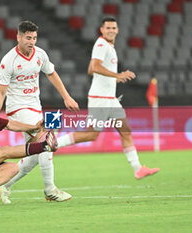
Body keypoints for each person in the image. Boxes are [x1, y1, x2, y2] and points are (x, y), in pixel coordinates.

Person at [57, 17, 159, 179]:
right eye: (108, 28)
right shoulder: (101, 45)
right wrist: (117, 75)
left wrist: (113, 77)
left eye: (114, 27)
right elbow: (95, 67)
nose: (111, 30)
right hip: (100, 98)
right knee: (91, 135)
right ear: (102, 30)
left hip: (110, 99)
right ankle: (53, 143)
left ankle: (138, 169)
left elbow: (91, 69)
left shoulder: (108, 46)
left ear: (117, 30)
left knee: (125, 131)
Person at [0, 20, 79, 204]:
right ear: (18, 37)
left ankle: (4, 185)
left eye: (34, 38)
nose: (31, 42)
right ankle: (50, 190)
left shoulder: (40, 54)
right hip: (18, 108)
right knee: (46, 139)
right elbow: (0, 92)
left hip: (36, 106)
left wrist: (66, 97)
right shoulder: (9, 61)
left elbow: (51, 73)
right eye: (28, 38)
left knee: (33, 154)